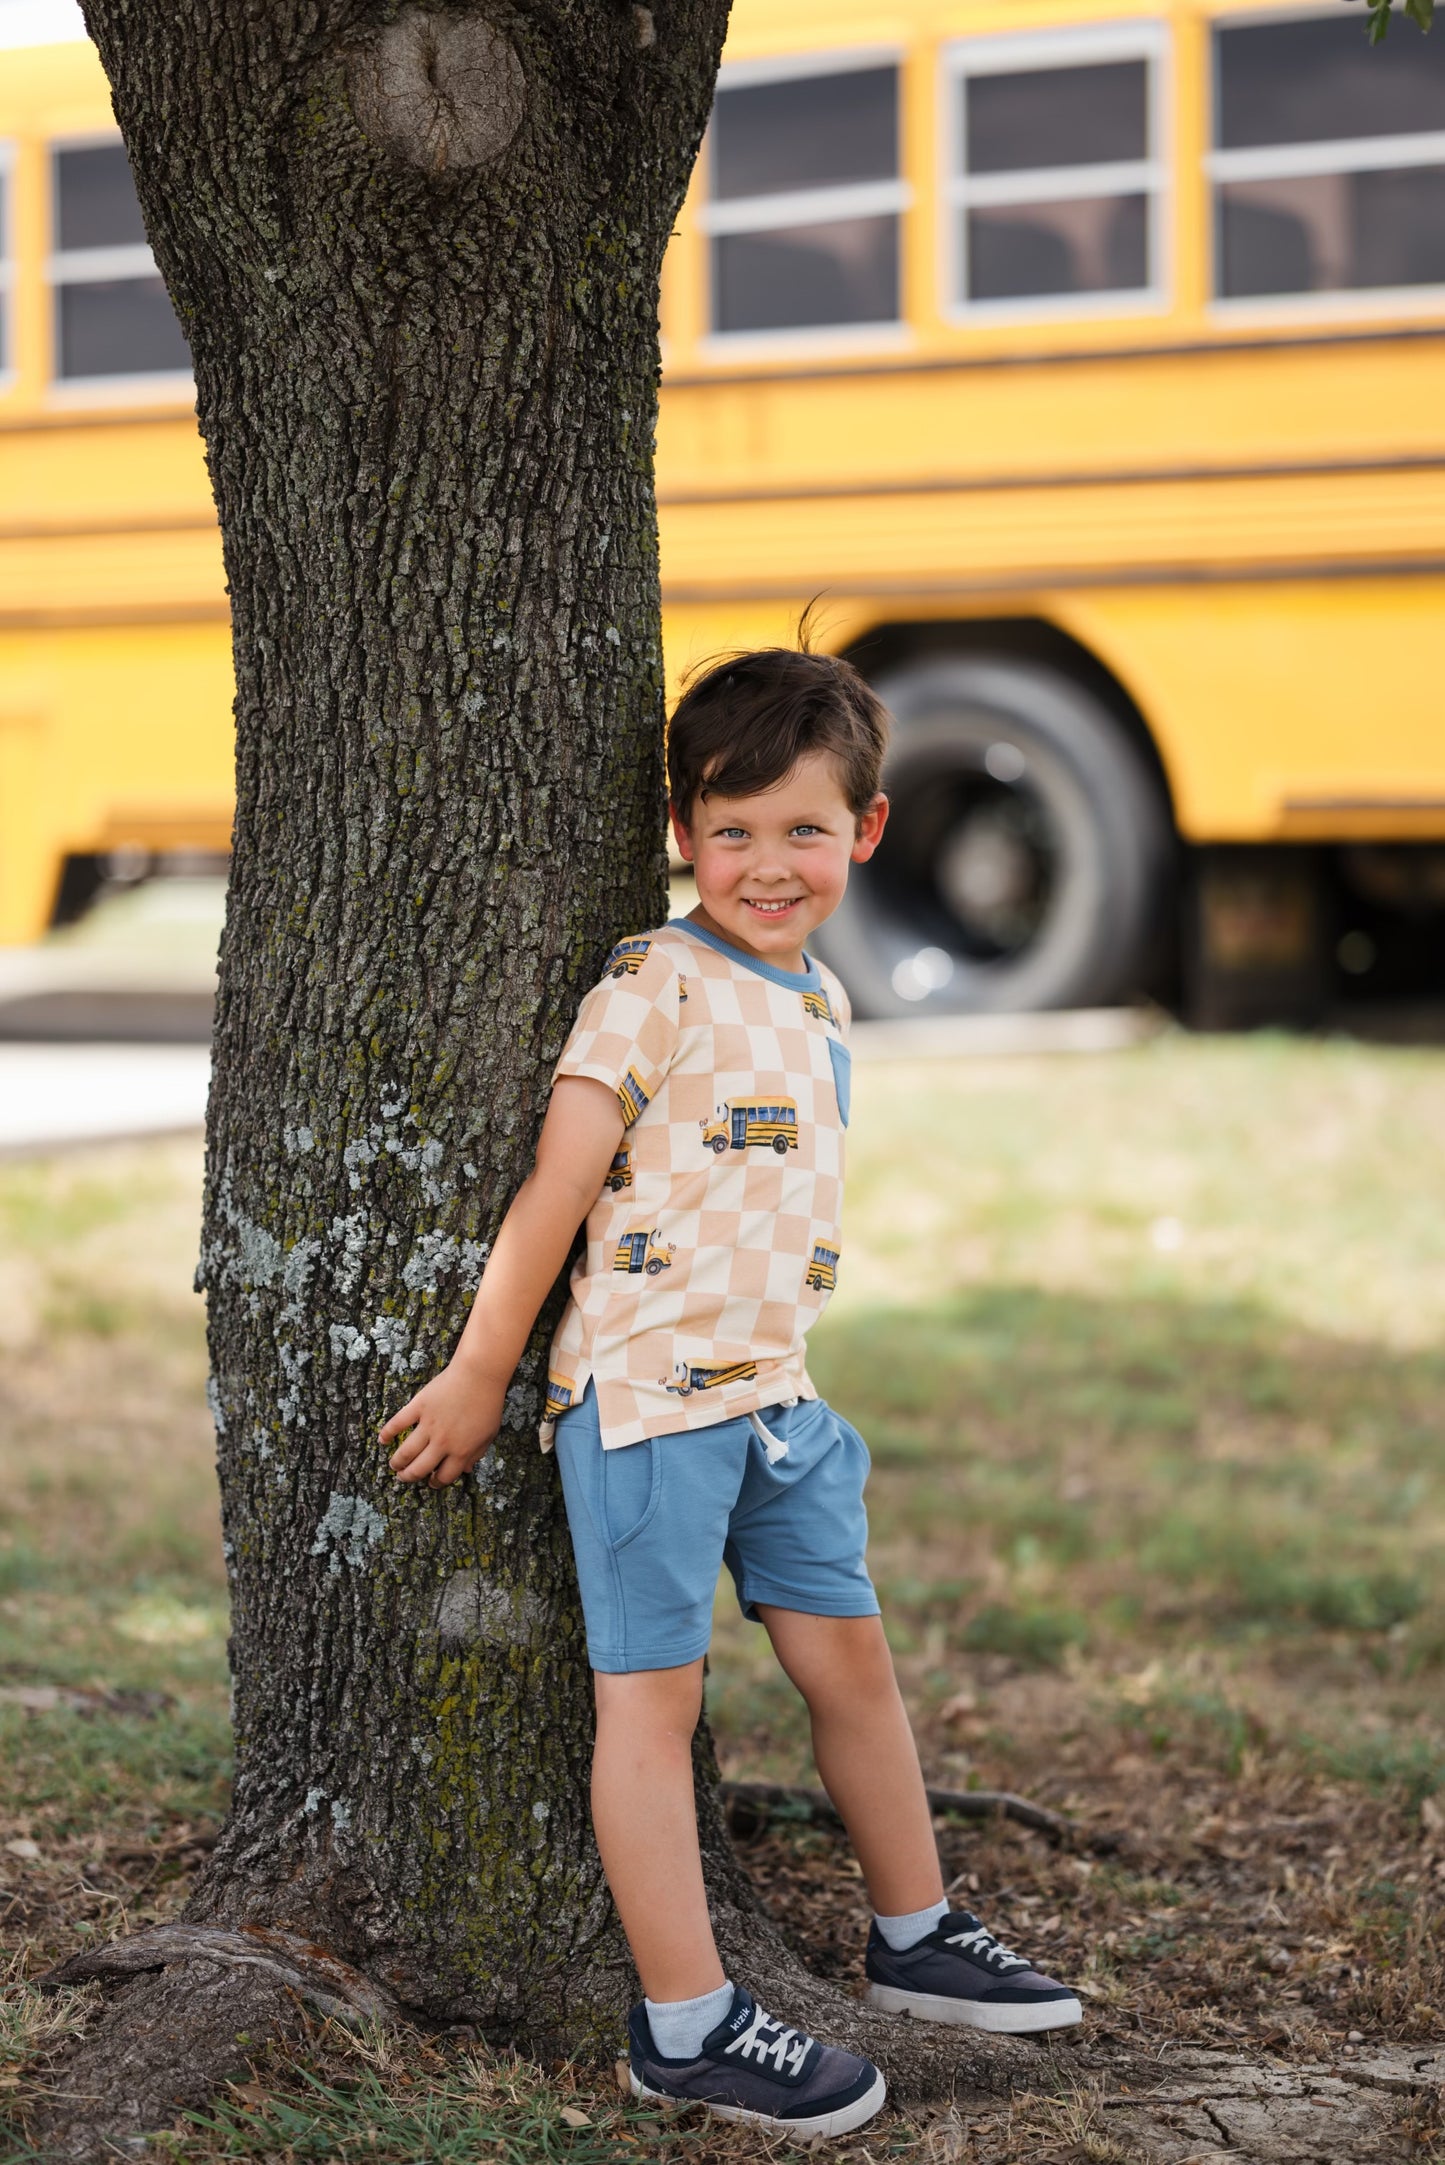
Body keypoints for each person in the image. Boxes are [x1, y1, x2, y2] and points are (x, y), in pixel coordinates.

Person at [381, 644, 1081, 2138]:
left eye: (804, 829)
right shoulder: (653, 984)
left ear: (867, 832)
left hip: (778, 1398)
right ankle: (687, 2024)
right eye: (734, 827)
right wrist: (480, 1372)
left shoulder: (821, 997)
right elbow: (555, 1188)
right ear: (681, 832)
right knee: (651, 1704)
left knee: (853, 1666)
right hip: (645, 1406)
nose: (768, 862)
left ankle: (915, 1933)